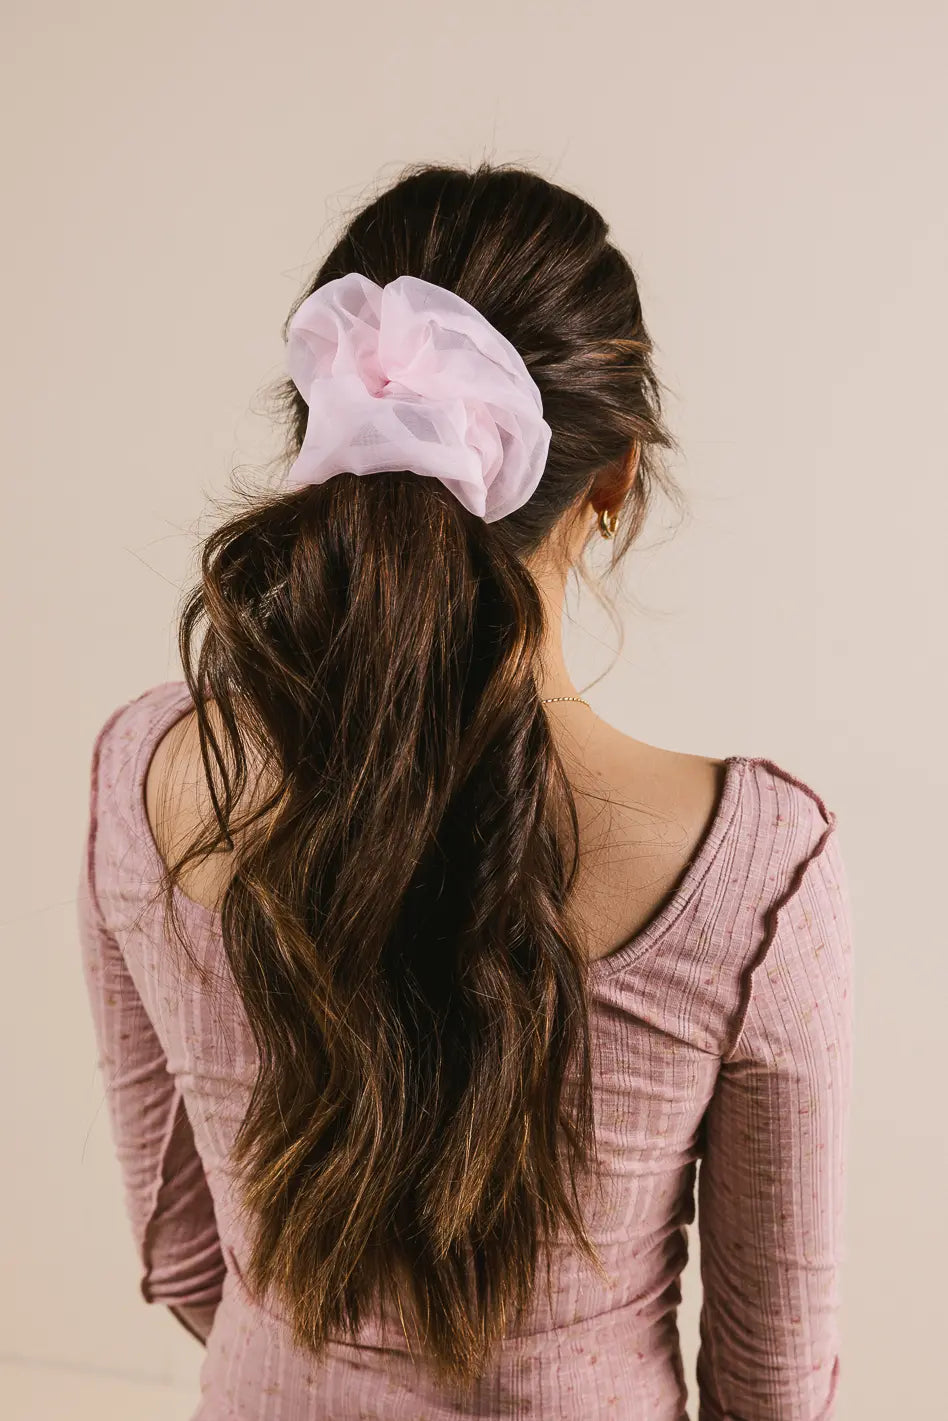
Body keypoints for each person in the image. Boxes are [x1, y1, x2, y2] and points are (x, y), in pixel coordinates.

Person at [77, 161, 853, 1421]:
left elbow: (180, 1251)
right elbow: (768, 1389)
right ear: (615, 476)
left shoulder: (144, 771)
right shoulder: (753, 871)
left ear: (325, 436)